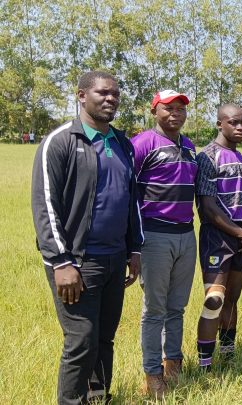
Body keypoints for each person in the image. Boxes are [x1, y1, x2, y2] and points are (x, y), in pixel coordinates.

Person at [32, 71, 142, 404]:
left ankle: (99, 398)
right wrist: (61, 262)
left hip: (114, 259)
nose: (111, 99)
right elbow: (46, 205)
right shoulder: (62, 141)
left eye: (115, 94)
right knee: (81, 341)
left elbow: (130, 200)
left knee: (104, 339)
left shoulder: (122, 143)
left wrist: (134, 249)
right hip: (78, 262)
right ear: (81, 96)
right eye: (103, 93)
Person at [131, 90, 195, 397]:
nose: (176, 113)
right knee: (154, 310)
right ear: (155, 111)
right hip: (155, 236)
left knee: (177, 307)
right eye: (169, 108)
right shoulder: (143, 143)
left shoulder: (190, 146)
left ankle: (174, 365)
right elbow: (126, 190)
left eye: (181, 109)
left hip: (187, 234)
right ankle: (153, 375)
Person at [194, 104, 242, 371]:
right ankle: (205, 364)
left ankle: (228, 353)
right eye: (234, 122)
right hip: (219, 237)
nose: (240, 127)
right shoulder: (208, 157)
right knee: (215, 300)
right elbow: (208, 208)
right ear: (219, 124)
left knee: (232, 298)